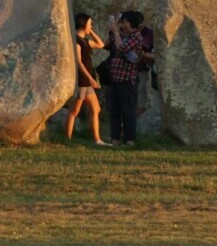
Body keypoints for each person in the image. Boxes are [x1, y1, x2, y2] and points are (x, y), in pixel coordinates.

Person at [103, 11, 157, 147]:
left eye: (125, 22)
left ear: (132, 23)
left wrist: (116, 33)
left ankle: (129, 139)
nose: (123, 25)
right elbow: (107, 46)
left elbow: (122, 48)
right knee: (114, 109)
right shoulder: (122, 35)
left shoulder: (136, 36)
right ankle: (115, 138)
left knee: (128, 110)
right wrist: (113, 32)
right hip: (114, 78)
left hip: (127, 79)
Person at [61, 14, 108, 145]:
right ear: (83, 25)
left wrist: (90, 31)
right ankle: (67, 139)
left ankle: (97, 139)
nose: (91, 26)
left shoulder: (85, 41)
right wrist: (91, 79)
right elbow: (79, 63)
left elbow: (101, 44)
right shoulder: (76, 41)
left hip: (87, 82)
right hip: (82, 81)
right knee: (74, 110)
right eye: (90, 24)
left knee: (95, 109)